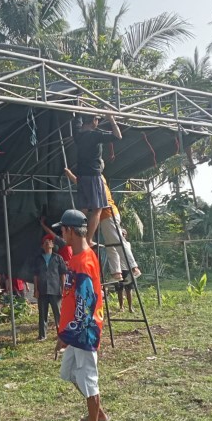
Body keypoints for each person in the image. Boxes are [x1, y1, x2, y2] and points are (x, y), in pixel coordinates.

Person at [52, 209, 108, 421]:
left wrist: (66, 335)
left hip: (84, 332)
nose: (61, 235)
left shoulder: (83, 262)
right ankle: (99, 413)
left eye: (62, 230)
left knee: (88, 377)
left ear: (70, 231)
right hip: (75, 331)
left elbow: (85, 307)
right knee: (69, 373)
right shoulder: (77, 257)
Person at [64, 168, 141, 283]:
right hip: (106, 216)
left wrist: (71, 175)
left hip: (109, 214)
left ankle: (134, 268)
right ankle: (116, 273)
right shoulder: (95, 179)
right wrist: (70, 175)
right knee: (111, 245)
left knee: (118, 241)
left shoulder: (97, 179)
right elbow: (83, 184)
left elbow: (83, 185)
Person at [72, 114, 122, 245]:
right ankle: (88, 239)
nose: (98, 122)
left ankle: (79, 237)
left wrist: (80, 108)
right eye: (97, 120)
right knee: (97, 209)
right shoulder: (95, 135)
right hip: (93, 175)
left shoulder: (78, 134)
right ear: (93, 121)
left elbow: (77, 117)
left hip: (81, 176)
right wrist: (111, 119)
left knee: (83, 209)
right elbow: (118, 136)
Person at [32, 235, 68, 340]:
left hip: (55, 289)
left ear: (53, 245)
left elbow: (63, 274)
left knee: (58, 313)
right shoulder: (38, 259)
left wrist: (63, 288)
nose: (48, 242)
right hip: (42, 289)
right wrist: (36, 289)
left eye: (50, 241)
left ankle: (61, 334)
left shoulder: (58, 258)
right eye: (45, 242)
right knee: (42, 314)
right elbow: (35, 275)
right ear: (42, 246)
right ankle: (42, 335)